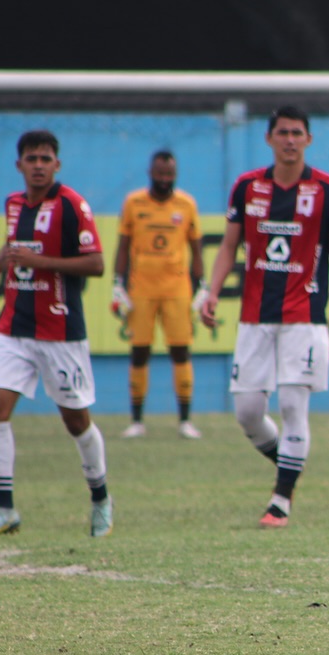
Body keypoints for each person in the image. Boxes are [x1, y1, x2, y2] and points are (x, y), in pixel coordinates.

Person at [199, 106, 329, 528]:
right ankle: (290, 462)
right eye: (282, 132)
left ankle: (281, 500)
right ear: (269, 139)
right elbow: (228, 247)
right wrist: (211, 292)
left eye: (297, 133)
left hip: (304, 316)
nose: (290, 140)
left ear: (308, 140)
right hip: (255, 317)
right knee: (248, 413)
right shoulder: (246, 188)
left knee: (293, 403)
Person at [0, 130, 114, 540]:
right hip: (14, 328)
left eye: (45, 158)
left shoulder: (71, 205)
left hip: (61, 331)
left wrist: (39, 261)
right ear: (19, 165)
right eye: (31, 158)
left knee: (76, 421)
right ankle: (4, 509)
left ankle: (100, 497)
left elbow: (97, 264)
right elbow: (15, 243)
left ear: (57, 164)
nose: (38, 164)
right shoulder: (14, 204)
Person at [111, 149, 205, 439]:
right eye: (160, 173)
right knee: (139, 351)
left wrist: (202, 286)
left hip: (176, 288)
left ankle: (185, 420)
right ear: (150, 173)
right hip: (142, 288)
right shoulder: (133, 203)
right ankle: (137, 420)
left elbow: (196, 248)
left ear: (175, 175)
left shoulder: (186, 204)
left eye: (169, 174)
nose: (164, 179)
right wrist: (118, 283)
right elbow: (124, 245)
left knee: (181, 351)